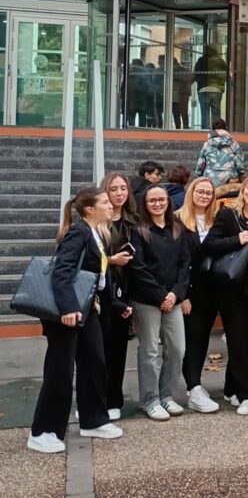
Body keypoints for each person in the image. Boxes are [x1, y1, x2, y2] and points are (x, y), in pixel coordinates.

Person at [28, 188, 123, 452]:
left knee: (95, 361)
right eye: (105, 202)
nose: (111, 204)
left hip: (85, 308)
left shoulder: (95, 233)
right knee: (60, 370)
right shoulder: (78, 232)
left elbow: (92, 273)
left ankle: (93, 419)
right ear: (90, 210)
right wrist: (68, 307)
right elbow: (63, 271)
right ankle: (43, 431)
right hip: (67, 312)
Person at [202, 173, 248, 415]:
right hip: (232, 285)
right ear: (243, 191)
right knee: (236, 339)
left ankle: (231, 387)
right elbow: (209, 245)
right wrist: (236, 239)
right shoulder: (229, 215)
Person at [129, 185, 191, 420]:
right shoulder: (139, 230)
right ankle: (149, 399)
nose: (157, 204)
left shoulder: (177, 228)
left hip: (173, 299)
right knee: (150, 350)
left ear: (168, 201)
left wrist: (175, 294)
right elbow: (139, 267)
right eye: (152, 200)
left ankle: (166, 396)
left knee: (177, 348)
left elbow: (185, 263)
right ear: (145, 204)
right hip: (147, 300)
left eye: (161, 199)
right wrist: (160, 295)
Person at [177, 177, 219, 414]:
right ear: (191, 192)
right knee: (191, 340)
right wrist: (183, 295)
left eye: (209, 193)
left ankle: (196, 385)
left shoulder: (216, 219)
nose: (204, 196)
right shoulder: (178, 220)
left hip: (211, 290)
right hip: (189, 291)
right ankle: (192, 388)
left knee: (203, 339)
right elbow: (176, 260)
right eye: (200, 192)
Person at [100, 172, 137, 420]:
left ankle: (114, 399)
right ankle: (94, 399)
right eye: (114, 189)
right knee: (97, 350)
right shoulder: (96, 221)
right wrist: (111, 260)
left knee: (118, 348)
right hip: (101, 293)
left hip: (125, 291)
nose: (120, 193)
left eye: (123, 188)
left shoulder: (133, 221)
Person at [195, 119, 245, 187]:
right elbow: (239, 165)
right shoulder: (234, 144)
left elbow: (200, 165)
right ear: (226, 128)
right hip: (230, 181)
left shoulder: (207, 144)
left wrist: (198, 176)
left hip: (210, 181)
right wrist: (240, 175)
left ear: (213, 129)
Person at [194, 45, 228, 129]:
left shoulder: (201, 60)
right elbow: (226, 76)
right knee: (216, 112)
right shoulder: (221, 61)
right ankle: (217, 131)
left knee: (204, 114)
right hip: (216, 90)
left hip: (203, 89)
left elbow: (196, 75)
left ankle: (204, 132)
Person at [172, 57, 193, 130]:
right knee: (184, 113)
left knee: (176, 114)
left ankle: (178, 129)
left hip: (175, 94)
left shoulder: (171, 69)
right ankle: (185, 128)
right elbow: (192, 78)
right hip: (184, 94)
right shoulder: (185, 69)